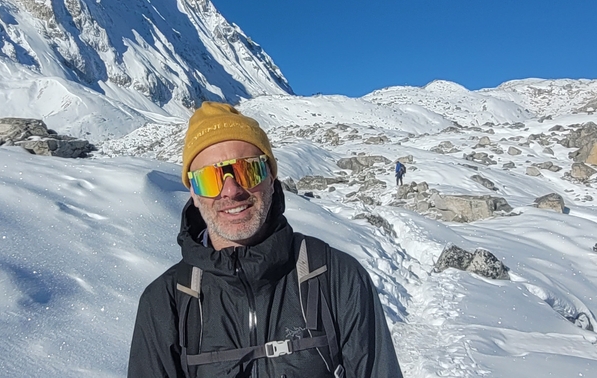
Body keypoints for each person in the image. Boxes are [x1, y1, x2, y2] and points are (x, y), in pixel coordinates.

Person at [128, 102, 402, 378]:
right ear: (194, 195)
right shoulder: (167, 303)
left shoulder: (336, 278)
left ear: (271, 178)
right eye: (209, 179)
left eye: (248, 170)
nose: (231, 191)